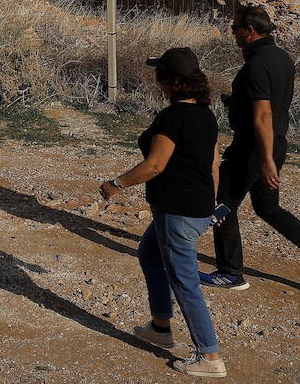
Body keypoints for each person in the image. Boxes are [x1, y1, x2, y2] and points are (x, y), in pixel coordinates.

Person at [201, 5, 300, 295]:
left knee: (222, 201)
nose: (232, 33)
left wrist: (266, 159)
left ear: (249, 31)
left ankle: (230, 272)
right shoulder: (281, 58)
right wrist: (237, 104)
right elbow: (268, 104)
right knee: (268, 207)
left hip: (255, 147)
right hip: (273, 142)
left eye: (234, 28)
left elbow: (263, 115)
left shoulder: (256, 65)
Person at [101, 47, 225, 378]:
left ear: (168, 81)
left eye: (159, 73)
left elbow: (154, 166)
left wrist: (117, 183)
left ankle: (209, 356)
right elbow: (214, 163)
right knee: (150, 256)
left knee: (185, 282)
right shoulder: (204, 113)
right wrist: (210, 204)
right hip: (192, 208)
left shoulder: (173, 118)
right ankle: (159, 327)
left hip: (177, 212)